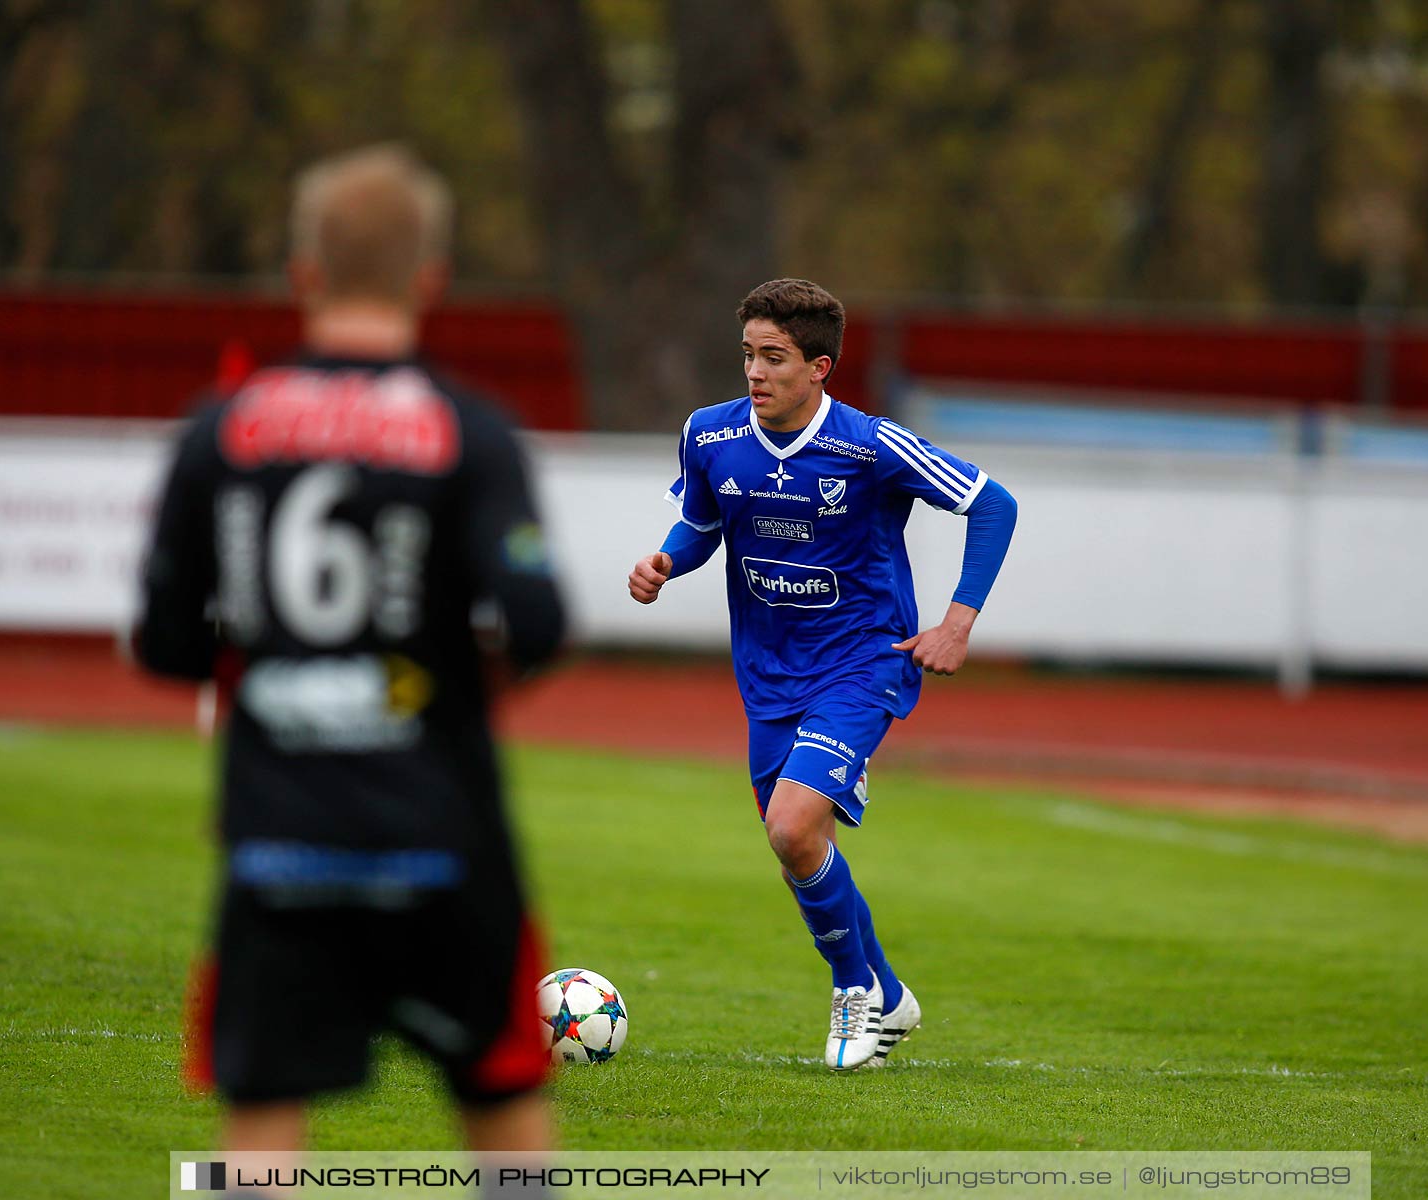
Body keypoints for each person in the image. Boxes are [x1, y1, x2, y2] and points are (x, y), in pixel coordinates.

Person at [137, 144, 567, 1154]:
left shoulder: (221, 429)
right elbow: (538, 626)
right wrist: (435, 690)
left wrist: (274, 669)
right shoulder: (472, 430)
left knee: (259, 1124)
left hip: (276, 839)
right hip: (441, 834)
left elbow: (164, 644)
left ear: (303, 274)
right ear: (431, 279)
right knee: (501, 1100)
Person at [628, 278, 1018, 1070]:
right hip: (768, 674)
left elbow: (994, 504)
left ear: (821, 368)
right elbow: (703, 523)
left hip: (862, 659)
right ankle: (889, 992)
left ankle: (851, 997)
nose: (755, 373)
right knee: (797, 852)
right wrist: (669, 558)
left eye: (774, 358)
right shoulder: (709, 436)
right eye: (748, 356)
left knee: (792, 826)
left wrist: (957, 622)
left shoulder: (870, 445)